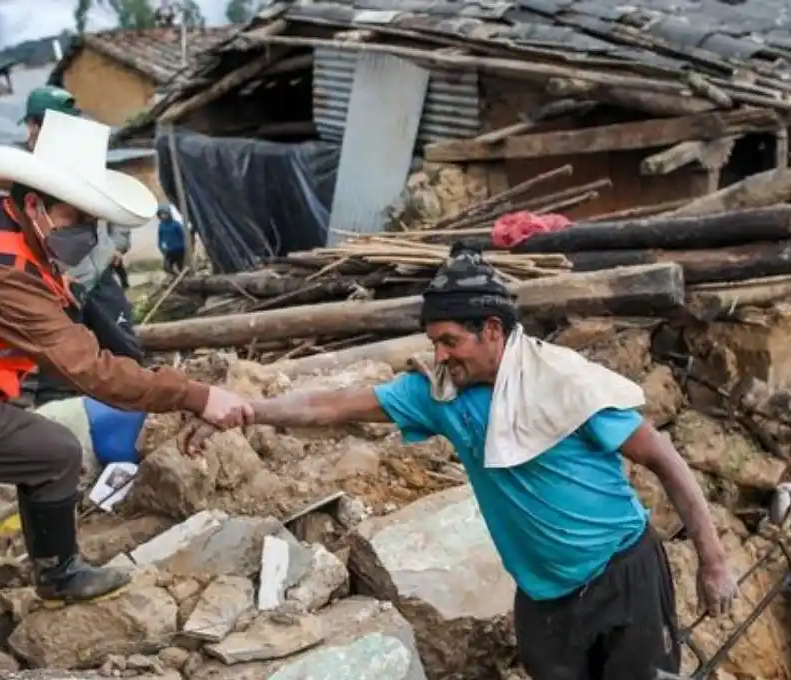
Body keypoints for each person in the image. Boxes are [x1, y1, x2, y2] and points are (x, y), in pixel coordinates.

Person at [191, 247, 741, 680]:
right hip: (544, 600)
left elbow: (666, 460)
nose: (440, 355)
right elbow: (332, 405)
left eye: (450, 341)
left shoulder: (564, 383)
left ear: (493, 331)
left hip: (623, 578)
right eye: (434, 342)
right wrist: (247, 410)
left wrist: (713, 562)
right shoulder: (440, 396)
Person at [0, 111, 252, 680]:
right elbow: (88, 369)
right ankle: (57, 574)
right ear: (35, 204)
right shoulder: (0, 267)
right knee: (53, 454)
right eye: (76, 218)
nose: (85, 233)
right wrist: (195, 394)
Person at [21, 85, 81, 151]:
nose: (69, 130)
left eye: (72, 123)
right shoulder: (15, 155)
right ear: (32, 124)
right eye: (60, 123)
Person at [156, 206, 185, 274]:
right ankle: (175, 276)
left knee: (180, 266)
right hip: (169, 250)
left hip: (179, 249)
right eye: (161, 214)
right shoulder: (161, 226)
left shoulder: (176, 224)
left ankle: (182, 277)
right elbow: (160, 238)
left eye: (165, 214)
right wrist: (160, 247)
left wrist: (183, 246)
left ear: (169, 214)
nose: (163, 216)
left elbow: (182, 236)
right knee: (167, 267)